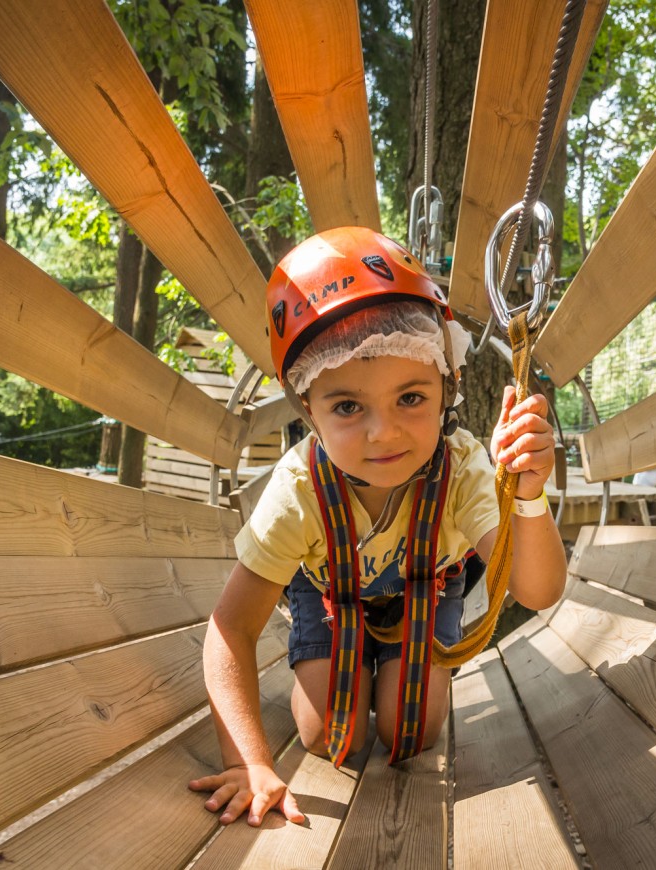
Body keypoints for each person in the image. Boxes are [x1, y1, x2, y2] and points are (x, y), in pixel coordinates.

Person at [188, 227, 567, 827]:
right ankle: (354, 659)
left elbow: (538, 591)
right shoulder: (300, 491)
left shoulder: (463, 470)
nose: (383, 433)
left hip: (427, 586)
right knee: (323, 732)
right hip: (331, 592)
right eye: (347, 407)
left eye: (411, 398)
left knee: (409, 729)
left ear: (447, 387)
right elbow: (230, 629)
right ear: (308, 410)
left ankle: (384, 665)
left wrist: (527, 495)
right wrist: (249, 762)